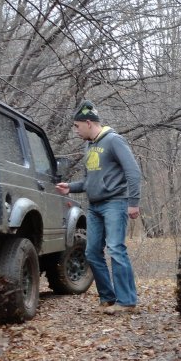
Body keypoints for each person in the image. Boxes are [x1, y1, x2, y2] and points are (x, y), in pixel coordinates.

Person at [56, 100, 142, 314]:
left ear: (88, 122)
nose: (75, 131)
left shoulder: (114, 141)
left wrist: (133, 203)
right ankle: (108, 298)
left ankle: (127, 301)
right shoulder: (89, 145)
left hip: (115, 203)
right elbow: (88, 182)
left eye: (77, 126)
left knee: (115, 248)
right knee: (92, 252)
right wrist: (71, 187)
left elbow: (133, 172)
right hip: (94, 207)